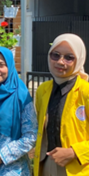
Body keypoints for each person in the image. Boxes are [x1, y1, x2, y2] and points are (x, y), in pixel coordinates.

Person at [33, 34, 89, 176]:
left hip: (78, 167)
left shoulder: (85, 92)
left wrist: (74, 152)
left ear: (79, 59)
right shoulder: (43, 90)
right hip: (46, 165)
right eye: (55, 55)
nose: (61, 62)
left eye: (69, 57)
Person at [0, 47, 37, 176]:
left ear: (10, 66)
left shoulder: (21, 95)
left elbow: (30, 137)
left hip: (11, 169)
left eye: (1, 65)